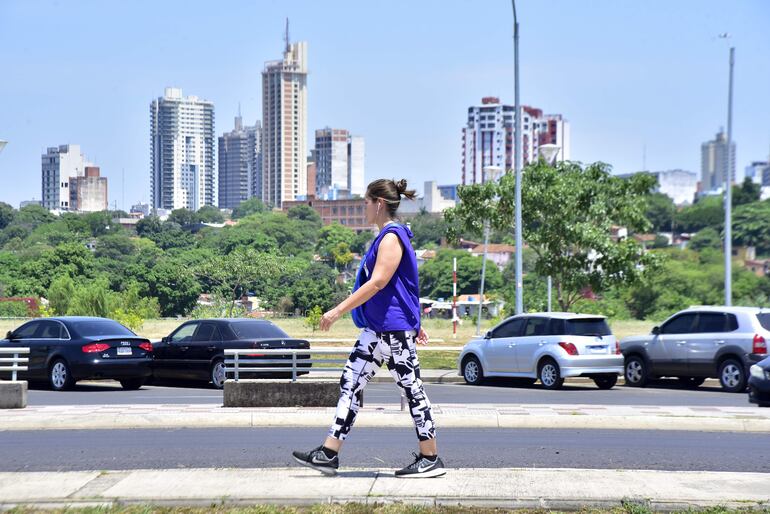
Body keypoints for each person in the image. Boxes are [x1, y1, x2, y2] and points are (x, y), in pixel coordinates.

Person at [292, 178, 445, 478]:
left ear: (379, 203)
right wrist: (417, 322)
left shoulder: (391, 237)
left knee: (412, 389)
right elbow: (406, 288)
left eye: (365, 202)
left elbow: (379, 283)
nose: (363, 207)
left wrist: (337, 311)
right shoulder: (385, 237)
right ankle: (329, 452)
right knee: (350, 382)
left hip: (393, 330)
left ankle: (430, 458)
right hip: (378, 331)